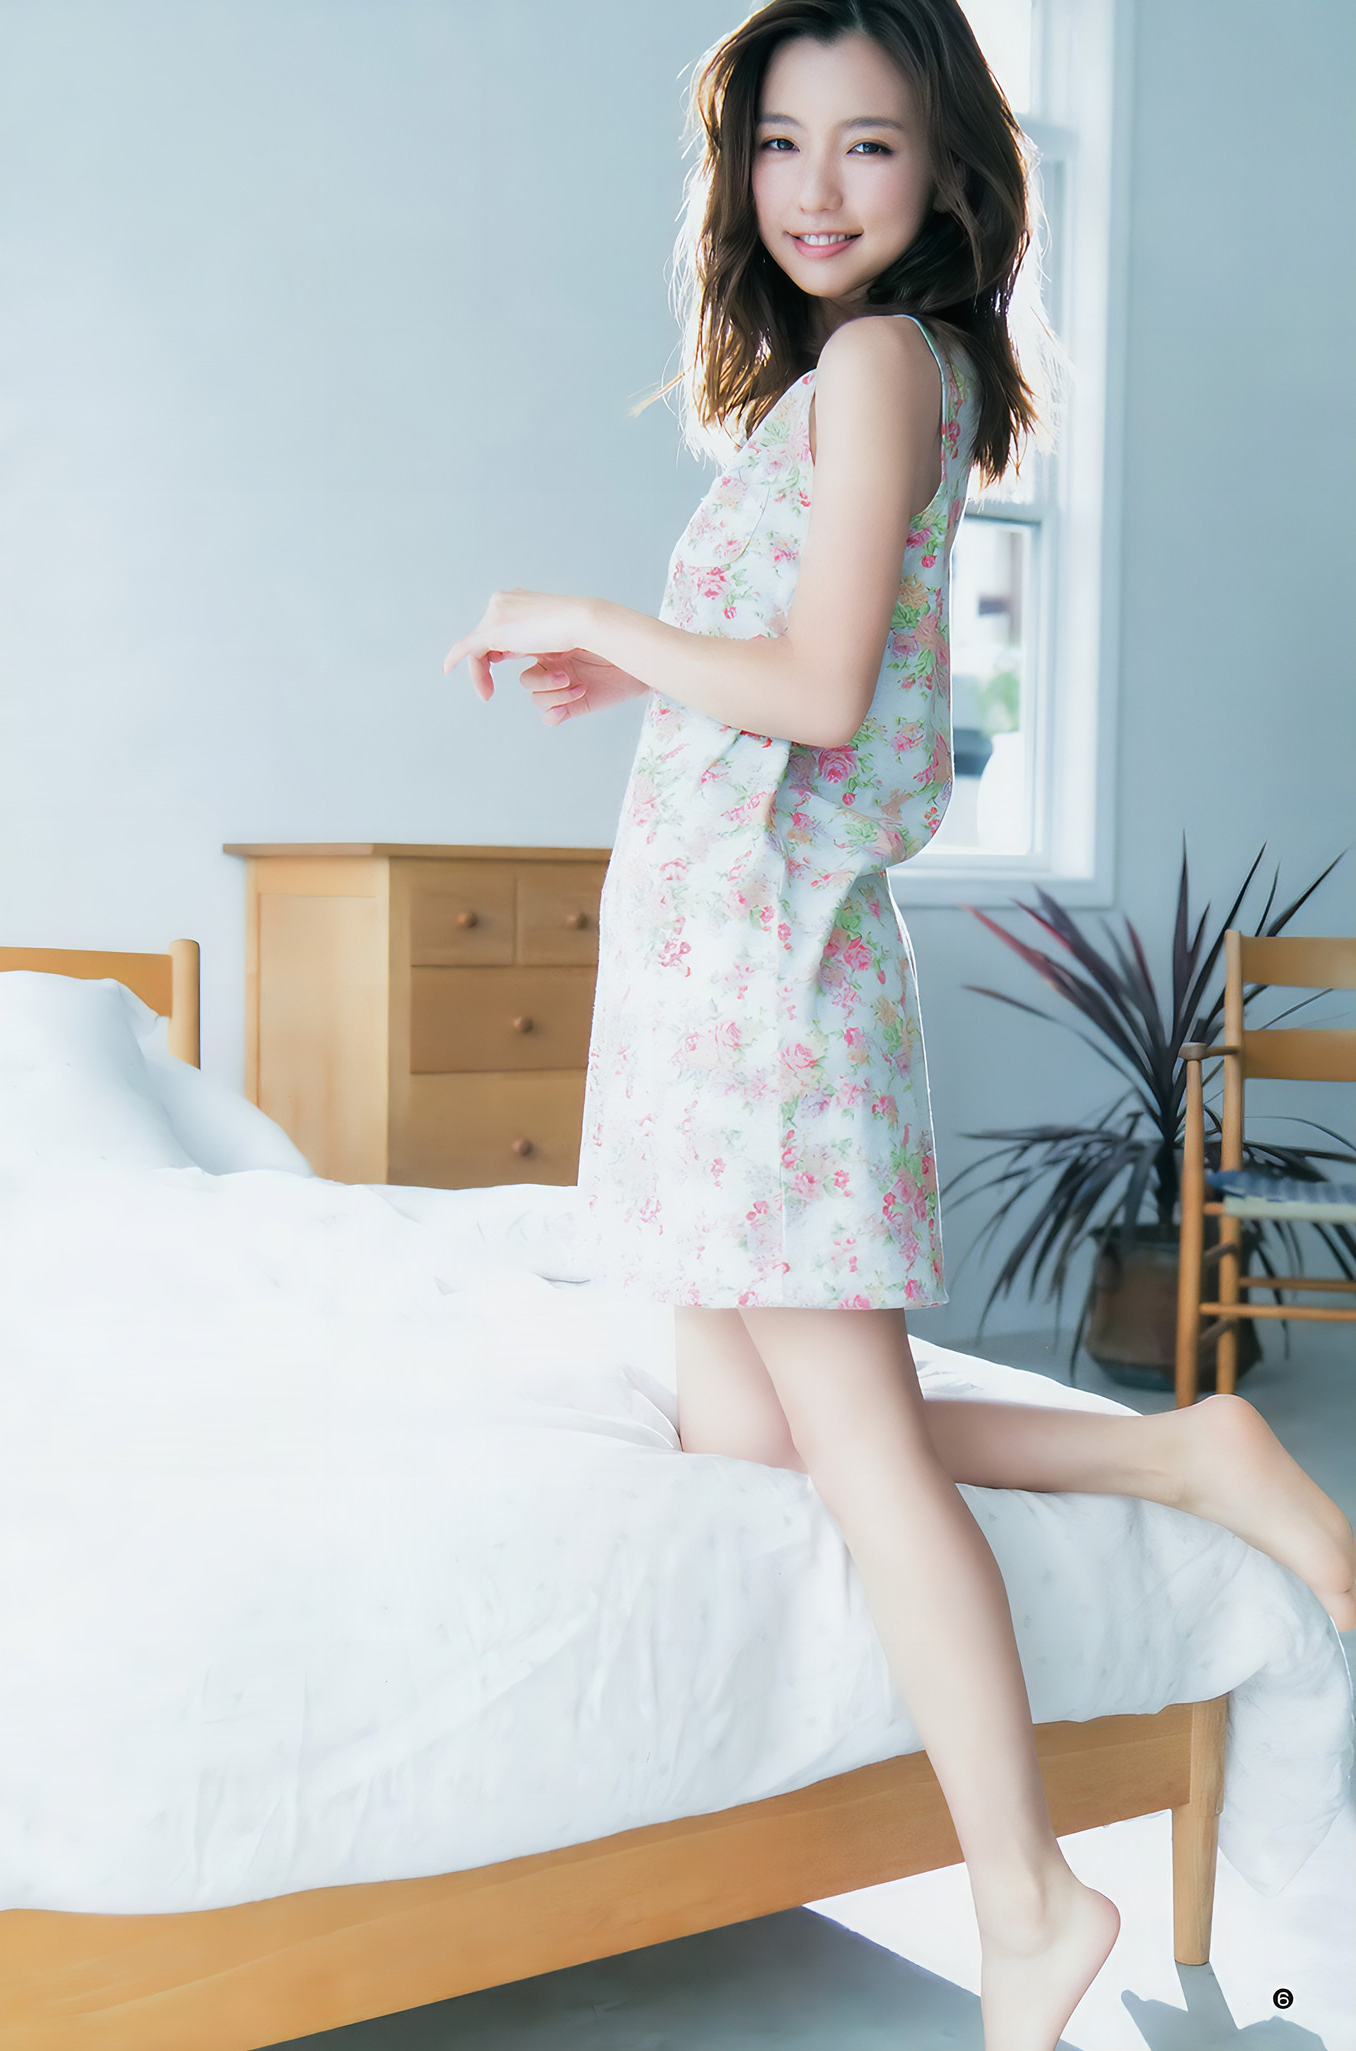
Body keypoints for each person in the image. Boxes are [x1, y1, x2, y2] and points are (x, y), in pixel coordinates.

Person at [444, 4, 1356, 2042]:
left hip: (768, 993)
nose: (814, 188)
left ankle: (1029, 1896)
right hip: (717, 985)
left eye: (865, 144)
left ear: (944, 168)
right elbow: (783, 666)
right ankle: (1186, 1451)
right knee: (746, 1433)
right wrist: (655, 672)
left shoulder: (878, 364)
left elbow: (825, 691)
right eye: (781, 143)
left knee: (854, 1451)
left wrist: (589, 618)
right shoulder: (840, 382)